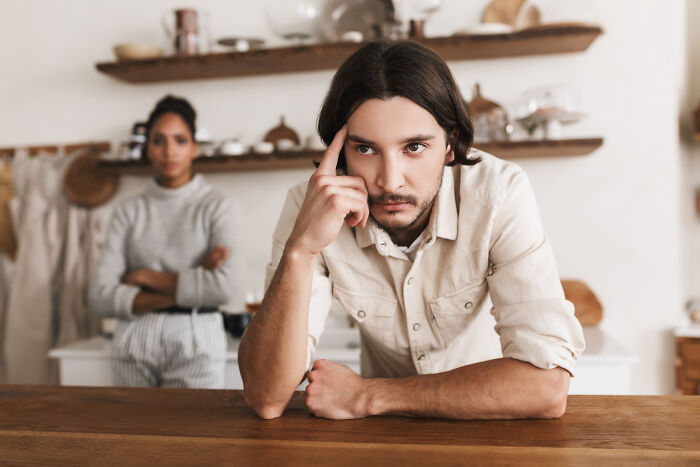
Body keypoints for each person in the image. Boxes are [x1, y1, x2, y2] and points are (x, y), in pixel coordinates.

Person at [238, 41, 585, 420]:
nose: (390, 181)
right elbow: (266, 398)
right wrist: (300, 250)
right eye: (366, 150)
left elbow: (546, 388)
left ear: (451, 145)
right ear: (338, 153)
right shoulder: (313, 206)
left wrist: (368, 396)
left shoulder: (498, 193)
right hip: (382, 440)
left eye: (414, 147)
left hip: (490, 427)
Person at [89, 95, 243, 388]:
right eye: (158, 141)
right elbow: (100, 295)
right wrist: (196, 280)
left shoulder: (219, 207)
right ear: (147, 148)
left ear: (194, 148)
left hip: (198, 333)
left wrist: (145, 277)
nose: (169, 151)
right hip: (133, 336)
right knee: (131, 434)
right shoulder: (127, 211)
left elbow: (226, 287)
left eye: (180, 140)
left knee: (192, 433)